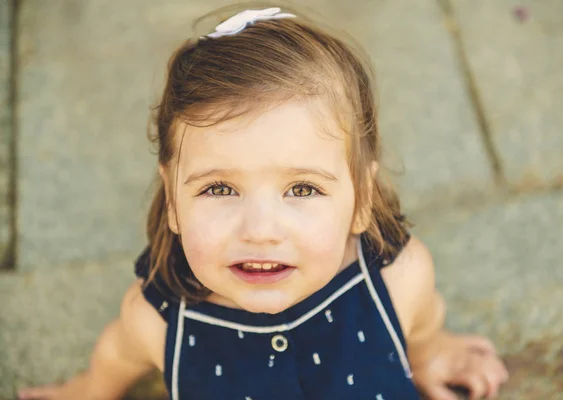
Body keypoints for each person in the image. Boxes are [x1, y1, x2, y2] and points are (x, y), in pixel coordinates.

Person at [18, 6, 508, 400]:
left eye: (302, 189)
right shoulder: (159, 320)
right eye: (219, 189)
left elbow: (423, 318)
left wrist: (428, 354)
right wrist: (87, 390)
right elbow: (118, 356)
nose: (260, 230)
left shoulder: (398, 279)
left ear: (360, 197)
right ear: (172, 198)